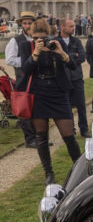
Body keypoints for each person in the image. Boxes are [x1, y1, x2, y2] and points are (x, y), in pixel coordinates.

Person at [16, 18, 81, 184]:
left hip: (58, 91)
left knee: (69, 135)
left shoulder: (57, 43)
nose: (41, 40)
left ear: (49, 34)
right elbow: (25, 69)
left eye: (43, 37)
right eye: (37, 37)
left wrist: (61, 53)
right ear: (32, 36)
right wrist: (36, 53)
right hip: (38, 93)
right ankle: (49, 174)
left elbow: (73, 65)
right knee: (41, 136)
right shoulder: (26, 46)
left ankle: (80, 170)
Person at [5, 11, 38, 147]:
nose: (28, 25)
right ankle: (30, 139)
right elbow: (10, 59)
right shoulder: (16, 40)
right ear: (21, 25)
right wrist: (27, 61)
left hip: (38, 77)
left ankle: (39, 137)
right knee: (25, 108)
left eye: (30, 23)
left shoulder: (38, 38)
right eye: (25, 23)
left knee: (38, 108)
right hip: (23, 78)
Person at [57, 18, 90, 137]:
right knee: (66, 107)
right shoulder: (55, 41)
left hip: (76, 78)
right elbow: (55, 58)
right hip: (63, 78)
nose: (73, 28)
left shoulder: (76, 41)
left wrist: (66, 57)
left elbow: (82, 57)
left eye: (73, 26)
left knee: (81, 106)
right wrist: (72, 56)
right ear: (62, 27)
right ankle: (71, 130)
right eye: (70, 26)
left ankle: (84, 129)